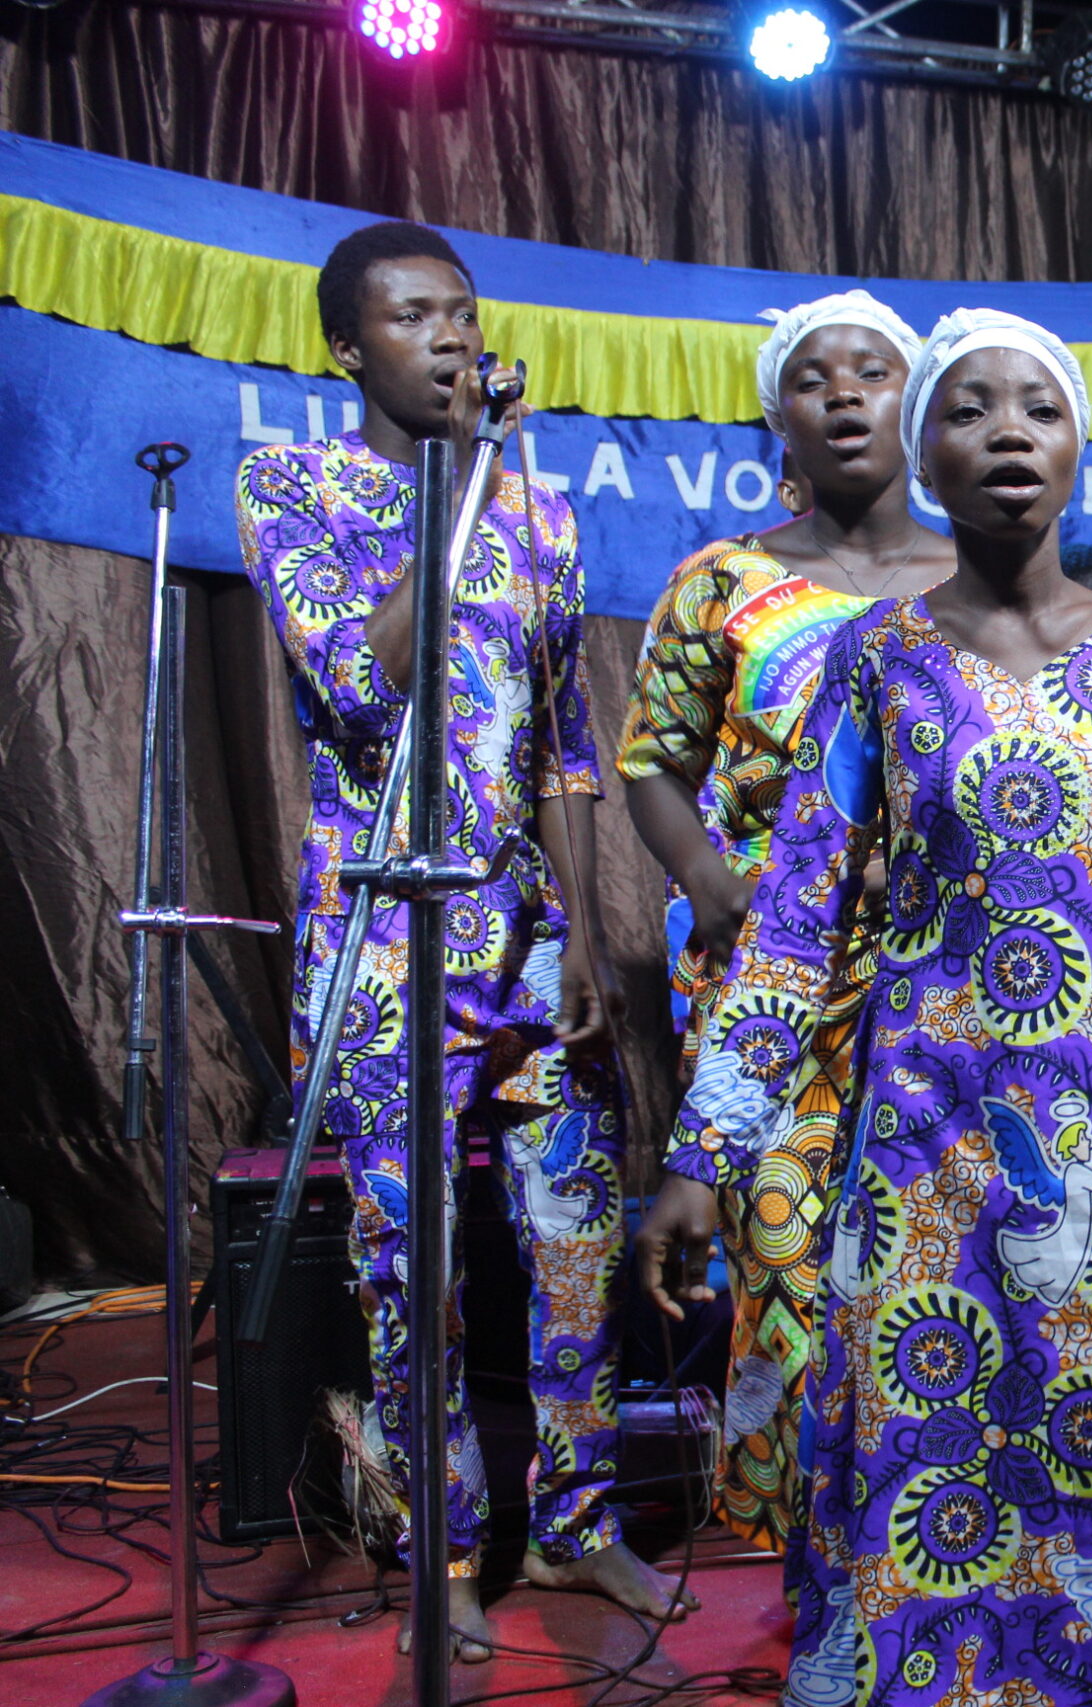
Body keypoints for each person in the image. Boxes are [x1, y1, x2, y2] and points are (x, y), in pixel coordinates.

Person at [635, 308, 1092, 1706]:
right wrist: (704, 1154)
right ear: (926, 453)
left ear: (1083, 452)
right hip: (923, 1170)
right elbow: (791, 922)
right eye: (970, 409)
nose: (1008, 430)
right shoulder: (878, 663)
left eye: (1040, 408)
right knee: (928, 1467)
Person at [234, 220, 690, 1660]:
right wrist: (458, 485)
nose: (450, 339)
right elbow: (363, 676)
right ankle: (442, 1549)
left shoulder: (542, 519)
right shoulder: (293, 484)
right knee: (408, 1263)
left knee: (572, 1244)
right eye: (415, 317)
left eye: (465, 313)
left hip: (522, 930)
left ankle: (572, 1523)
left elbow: (560, 740)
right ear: (346, 346)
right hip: (384, 936)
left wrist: (577, 925)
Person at [618, 290, 951, 1555]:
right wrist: (706, 874)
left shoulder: (971, 578)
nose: (849, 394)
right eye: (819, 378)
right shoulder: (722, 583)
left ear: (914, 409)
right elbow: (650, 757)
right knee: (789, 1255)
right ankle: (817, 1562)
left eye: (876, 373)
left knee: (935, 1252)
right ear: (778, 418)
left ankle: (935, 1545)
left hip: (941, 974)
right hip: (770, 973)